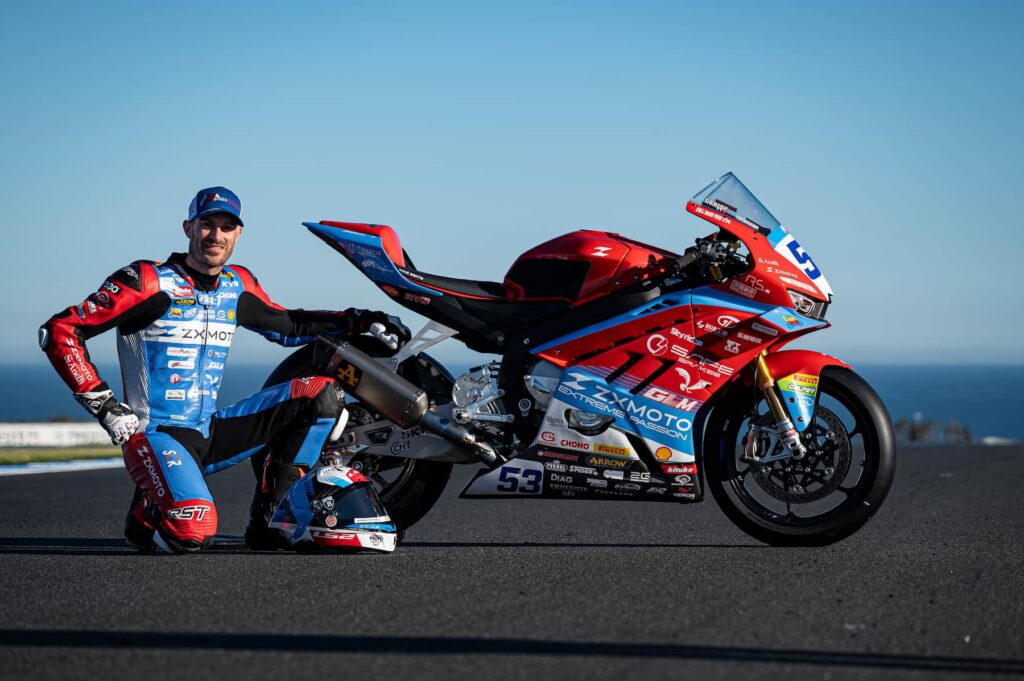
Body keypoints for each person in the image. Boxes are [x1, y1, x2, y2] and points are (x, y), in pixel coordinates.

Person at [39, 186, 409, 553]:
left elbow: (290, 325)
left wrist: (359, 320)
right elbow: (60, 330)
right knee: (193, 530)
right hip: (157, 436)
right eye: (207, 224)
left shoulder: (237, 285)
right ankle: (147, 512)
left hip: (210, 431)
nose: (216, 235)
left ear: (238, 234)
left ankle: (269, 521)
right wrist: (103, 404)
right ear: (188, 228)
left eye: (227, 226)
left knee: (322, 393)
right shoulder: (147, 280)